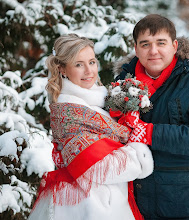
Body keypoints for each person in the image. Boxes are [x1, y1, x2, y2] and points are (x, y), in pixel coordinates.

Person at [28, 34, 154, 220]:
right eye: (78, 64)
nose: (89, 71)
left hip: (108, 201)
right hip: (86, 207)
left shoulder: (98, 98)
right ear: (62, 69)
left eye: (92, 62)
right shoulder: (69, 112)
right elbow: (96, 167)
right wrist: (137, 151)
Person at [114, 14, 189, 220]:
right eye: (145, 44)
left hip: (182, 202)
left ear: (174, 46)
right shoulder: (121, 86)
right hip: (132, 204)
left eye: (160, 43)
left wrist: (147, 133)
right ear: (136, 49)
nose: (153, 51)